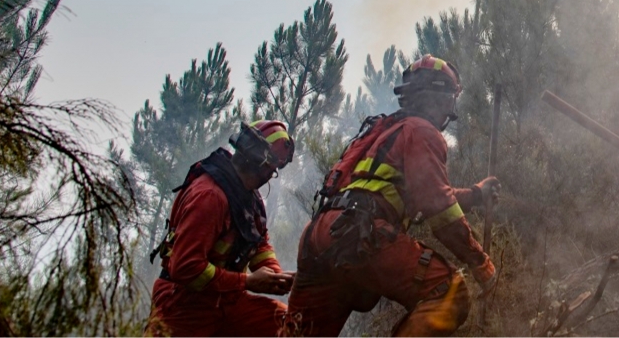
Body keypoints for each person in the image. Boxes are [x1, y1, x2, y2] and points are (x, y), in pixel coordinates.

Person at [284, 55, 500, 337]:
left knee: (303, 333)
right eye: (449, 97)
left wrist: (475, 195)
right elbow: (441, 212)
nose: (450, 108)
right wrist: (479, 262)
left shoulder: (383, 130)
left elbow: (424, 194)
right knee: (450, 294)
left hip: (321, 235)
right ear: (436, 96)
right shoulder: (423, 132)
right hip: (359, 233)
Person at [145, 119, 297, 337]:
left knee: (292, 328)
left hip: (227, 300)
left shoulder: (250, 198)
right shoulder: (210, 197)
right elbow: (186, 268)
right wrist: (247, 281)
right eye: (272, 167)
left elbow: (258, 243)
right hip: (184, 305)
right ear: (260, 161)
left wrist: (275, 276)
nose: (270, 175)